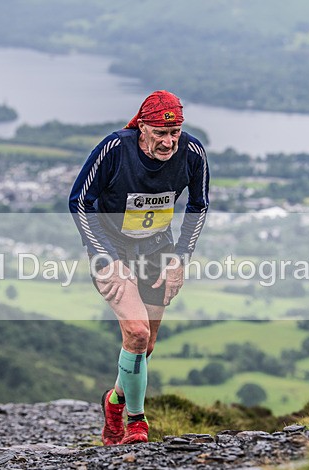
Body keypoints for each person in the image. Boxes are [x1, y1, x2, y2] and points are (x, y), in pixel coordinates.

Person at [68, 90, 210, 445]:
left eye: (175, 131)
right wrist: (107, 260)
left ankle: (114, 400)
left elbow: (199, 206)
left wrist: (180, 258)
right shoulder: (115, 149)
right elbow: (78, 202)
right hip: (111, 249)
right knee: (137, 332)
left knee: (144, 349)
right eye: (160, 133)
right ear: (142, 127)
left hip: (157, 251)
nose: (169, 141)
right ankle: (136, 422)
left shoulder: (192, 153)